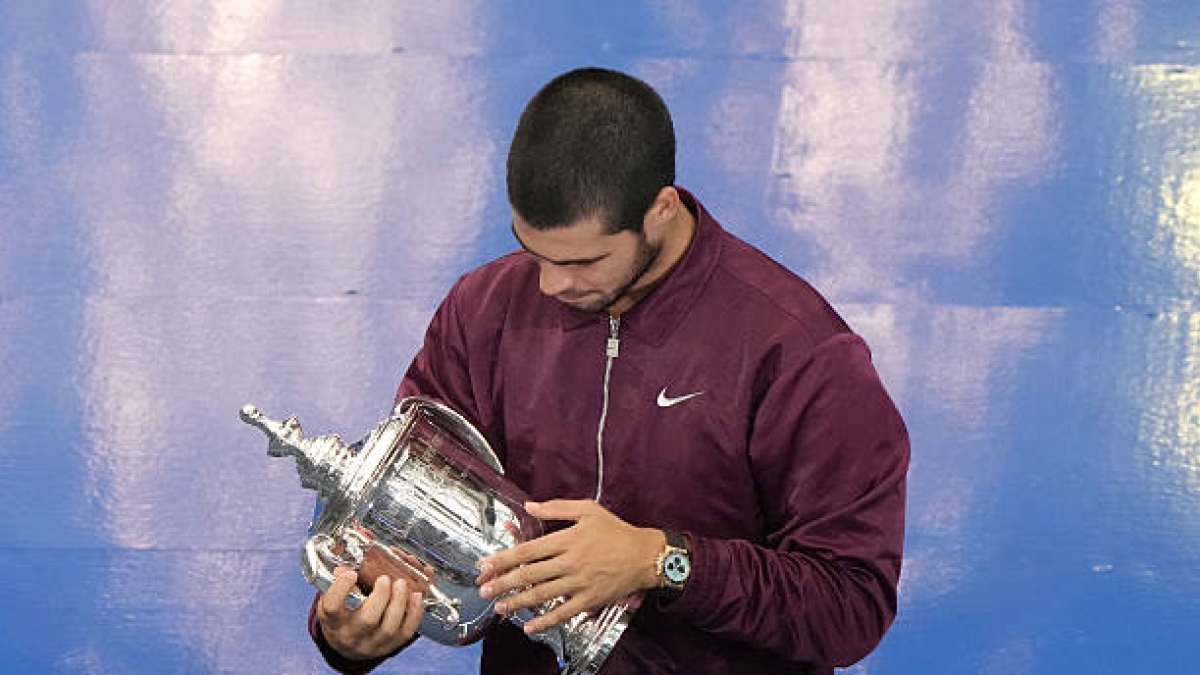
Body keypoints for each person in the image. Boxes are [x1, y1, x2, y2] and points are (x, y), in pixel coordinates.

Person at [307, 66, 909, 675]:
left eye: (584, 261)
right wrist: (354, 626)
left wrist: (662, 561)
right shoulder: (484, 309)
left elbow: (850, 603)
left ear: (661, 210)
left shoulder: (798, 352)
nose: (550, 285)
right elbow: (404, 505)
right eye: (533, 251)